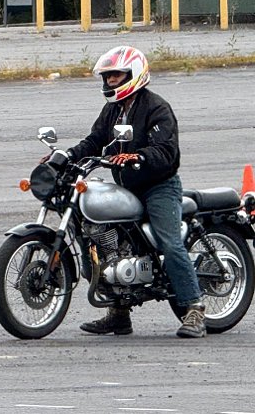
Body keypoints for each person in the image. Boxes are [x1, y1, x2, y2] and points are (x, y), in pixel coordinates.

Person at [64, 45, 205, 338]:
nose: (110, 82)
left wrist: (139, 156)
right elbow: (94, 142)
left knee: (169, 243)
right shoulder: (113, 110)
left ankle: (194, 309)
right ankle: (118, 314)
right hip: (126, 187)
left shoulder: (156, 108)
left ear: (134, 74)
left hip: (159, 186)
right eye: (108, 77)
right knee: (103, 240)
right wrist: (66, 157)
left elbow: (166, 151)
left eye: (116, 76)